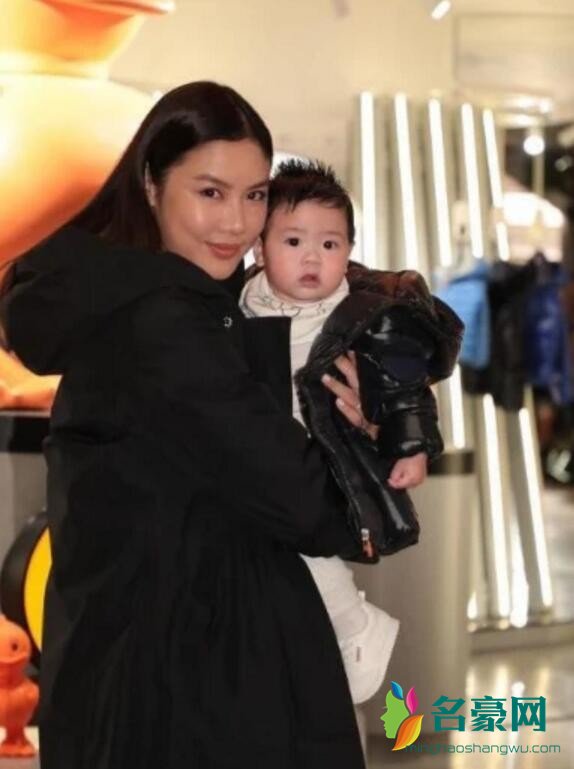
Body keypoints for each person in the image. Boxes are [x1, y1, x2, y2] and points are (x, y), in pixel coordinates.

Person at [0, 82, 377, 769]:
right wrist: (360, 449)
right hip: (194, 688)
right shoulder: (165, 323)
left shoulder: (124, 300)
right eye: (210, 192)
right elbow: (305, 501)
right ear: (151, 183)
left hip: (133, 669)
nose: (236, 222)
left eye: (255, 195)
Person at [240, 160, 449, 705]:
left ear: (350, 250)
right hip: (263, 460)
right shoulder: (237, 307)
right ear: (259, 248)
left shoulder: (363, 318)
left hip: (330, 461)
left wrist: (410, 447)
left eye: (330, 244)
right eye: (293, 241)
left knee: (310, 550)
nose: (312, 258)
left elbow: (404, 387)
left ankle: (354, 625)